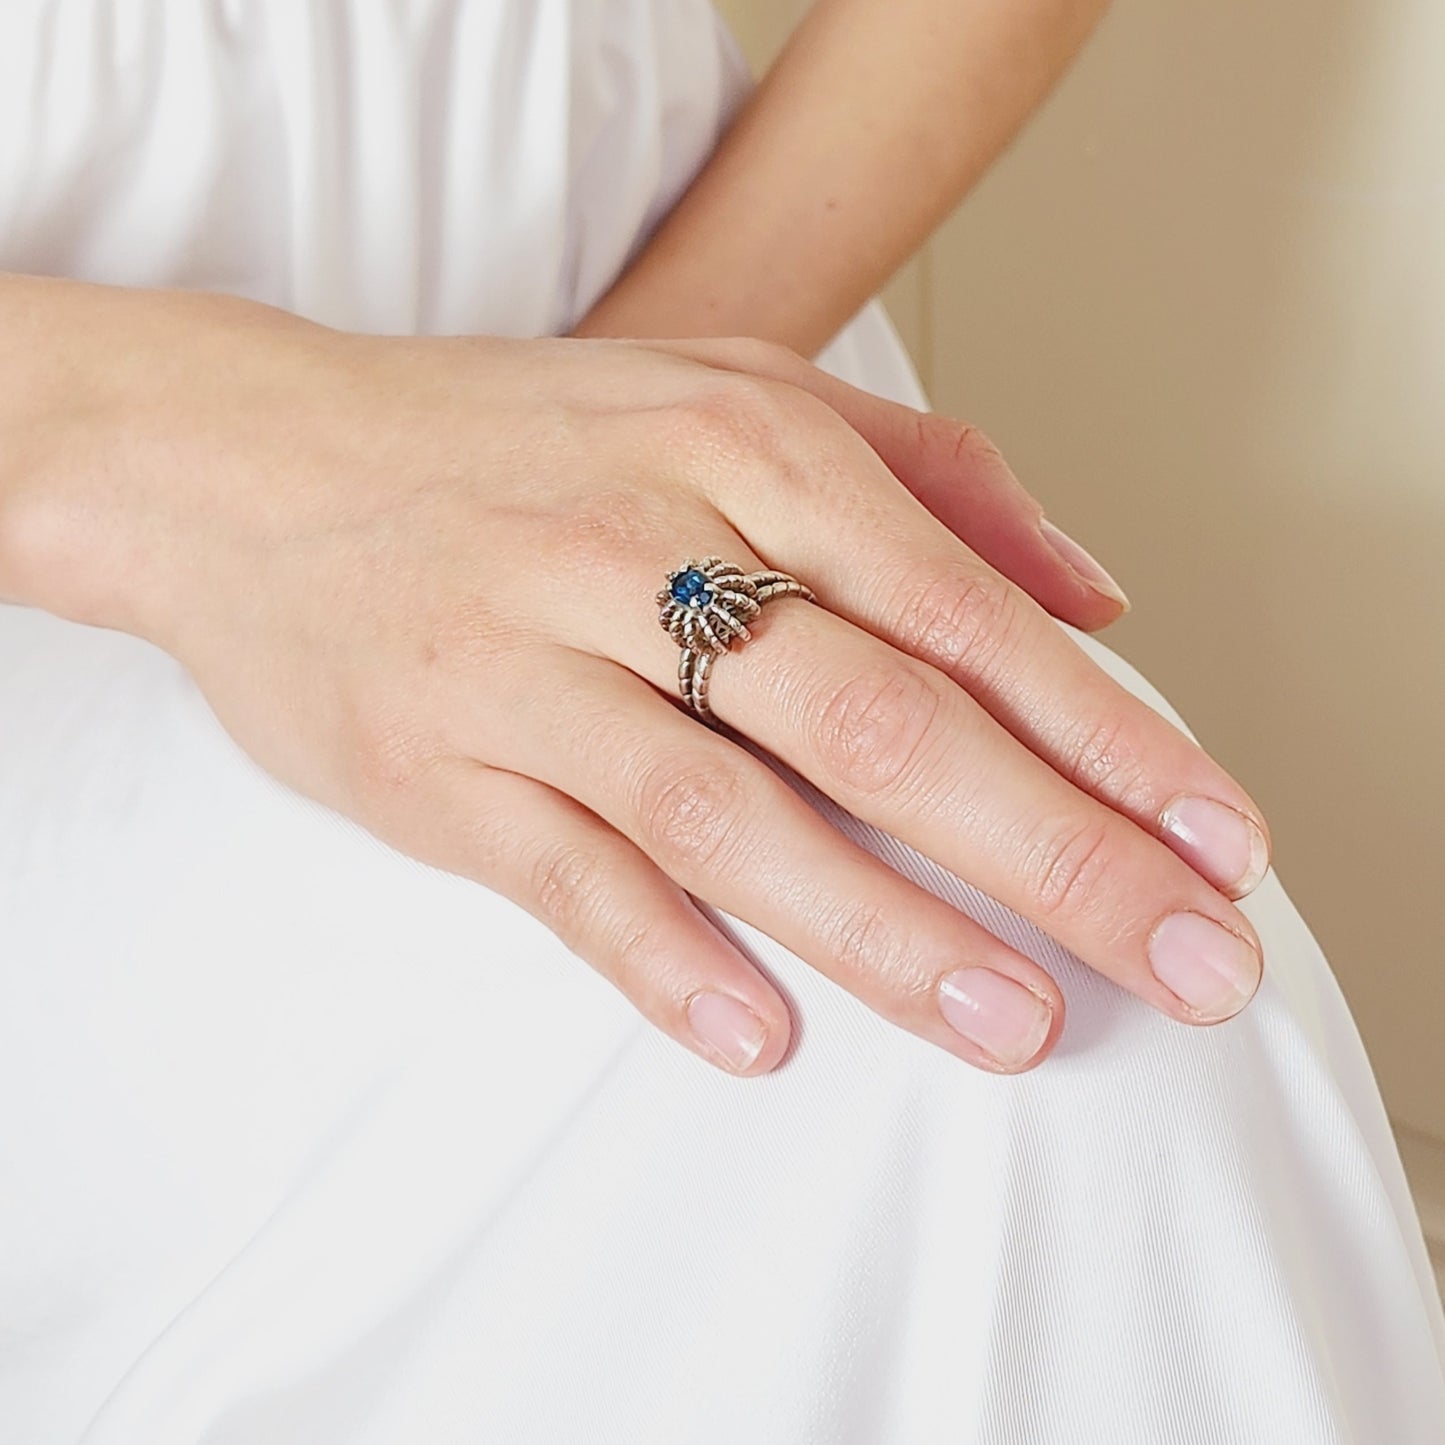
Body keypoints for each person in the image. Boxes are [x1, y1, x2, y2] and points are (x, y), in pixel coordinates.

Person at [0, 2, 1440, 1440]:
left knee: (1065, 979)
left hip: (662, 279)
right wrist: (234, 462)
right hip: (58, 508)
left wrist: (593, 449)